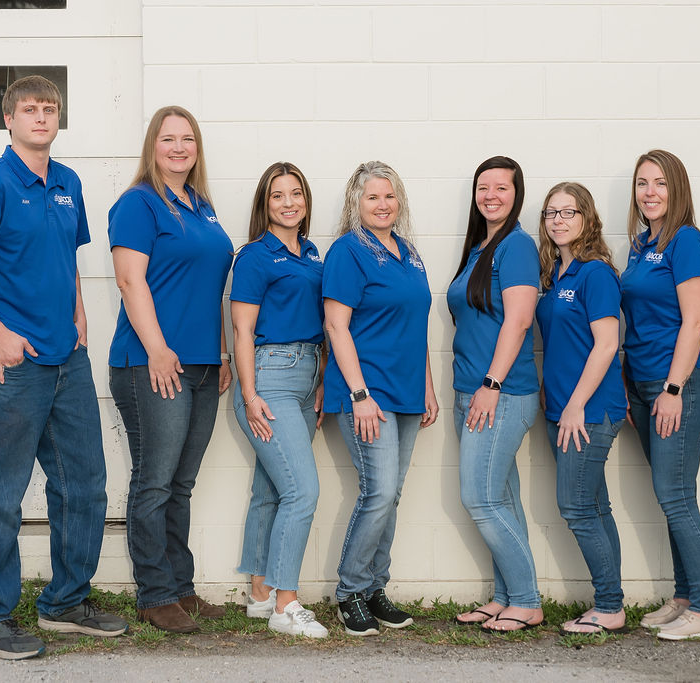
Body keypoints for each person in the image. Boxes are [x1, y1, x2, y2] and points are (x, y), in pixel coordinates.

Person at [0, 75, 127, 660]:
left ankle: (66, 602)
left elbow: (64, 258)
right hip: (12, 369)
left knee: (84, 484)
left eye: (50, 109)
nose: (41, 117)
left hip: (68, 361)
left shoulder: (68, 183)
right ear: (9, 121)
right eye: (30, 110)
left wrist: (80, 316)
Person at [108, 105, 233, 634]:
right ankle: (155, 593)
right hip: (152, 363)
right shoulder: (138, 204)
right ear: (152, 146)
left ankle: (181, 587)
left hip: (204, 364)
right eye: (168, 139)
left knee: (180, 484)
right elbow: (130, 282)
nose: (179, 147)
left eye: (188, 139)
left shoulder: (201, 206)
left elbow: (211, 289)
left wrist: (223, 351)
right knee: (154, 482)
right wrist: (158, 349)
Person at [323, 161, 439, 637]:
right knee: (380, 491)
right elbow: (336, 325)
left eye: (389, 196)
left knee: (390, 497)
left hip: (407, 392)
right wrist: (360, 394)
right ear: (356, 202)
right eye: (372, 197)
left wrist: (428, 385)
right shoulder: (348, 252)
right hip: (368, 393)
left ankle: (374, 589)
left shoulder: (408, 252)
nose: (382, 204)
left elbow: (418, 325)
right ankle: (350, 591)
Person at [621, 149, 700, 640]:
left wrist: (673, 387)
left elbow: (695, 320)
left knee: (675, 496)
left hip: (679, 384)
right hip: (643, 385)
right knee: (674, 496)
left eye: (660, 183)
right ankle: (685, 596)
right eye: (643, 183)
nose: (650, 192)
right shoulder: (642, 244)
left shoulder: (687, 241)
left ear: (677, 188)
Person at [230, 162, 328, 638]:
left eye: (296, 194)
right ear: (264, 205)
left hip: (307, 377)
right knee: (302, 491)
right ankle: (286, 604)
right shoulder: (254, 256)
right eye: (277, 196)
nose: (288, 203)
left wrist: (322, 378)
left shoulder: (313, 255)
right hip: (269, 377)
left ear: (306, 201)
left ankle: (260, 592)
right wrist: (249, 395)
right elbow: (242, 329)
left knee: (271, 489)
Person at [449, 156, 542, 633]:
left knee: (479, 498)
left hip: (500, 394)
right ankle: (506, 596)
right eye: (483, 186)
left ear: (516, 193)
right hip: (472, 392)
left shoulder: (518, 246)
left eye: (501, 187)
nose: (491, 195)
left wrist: (491, 384)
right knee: (501, 500)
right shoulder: (480, 248)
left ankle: (526, 600)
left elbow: (519, 319)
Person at [535, 182, 628, 635]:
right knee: (595, 507)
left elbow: (607, 344)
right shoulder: (555, 276)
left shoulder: (595, 273)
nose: (558, 220)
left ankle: (608, 605)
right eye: (551, 213)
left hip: (588, 413)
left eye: (568, 212)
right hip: (562, 411)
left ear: (587, 218)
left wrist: (575, 405)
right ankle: (612, 604)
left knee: (574, 507)